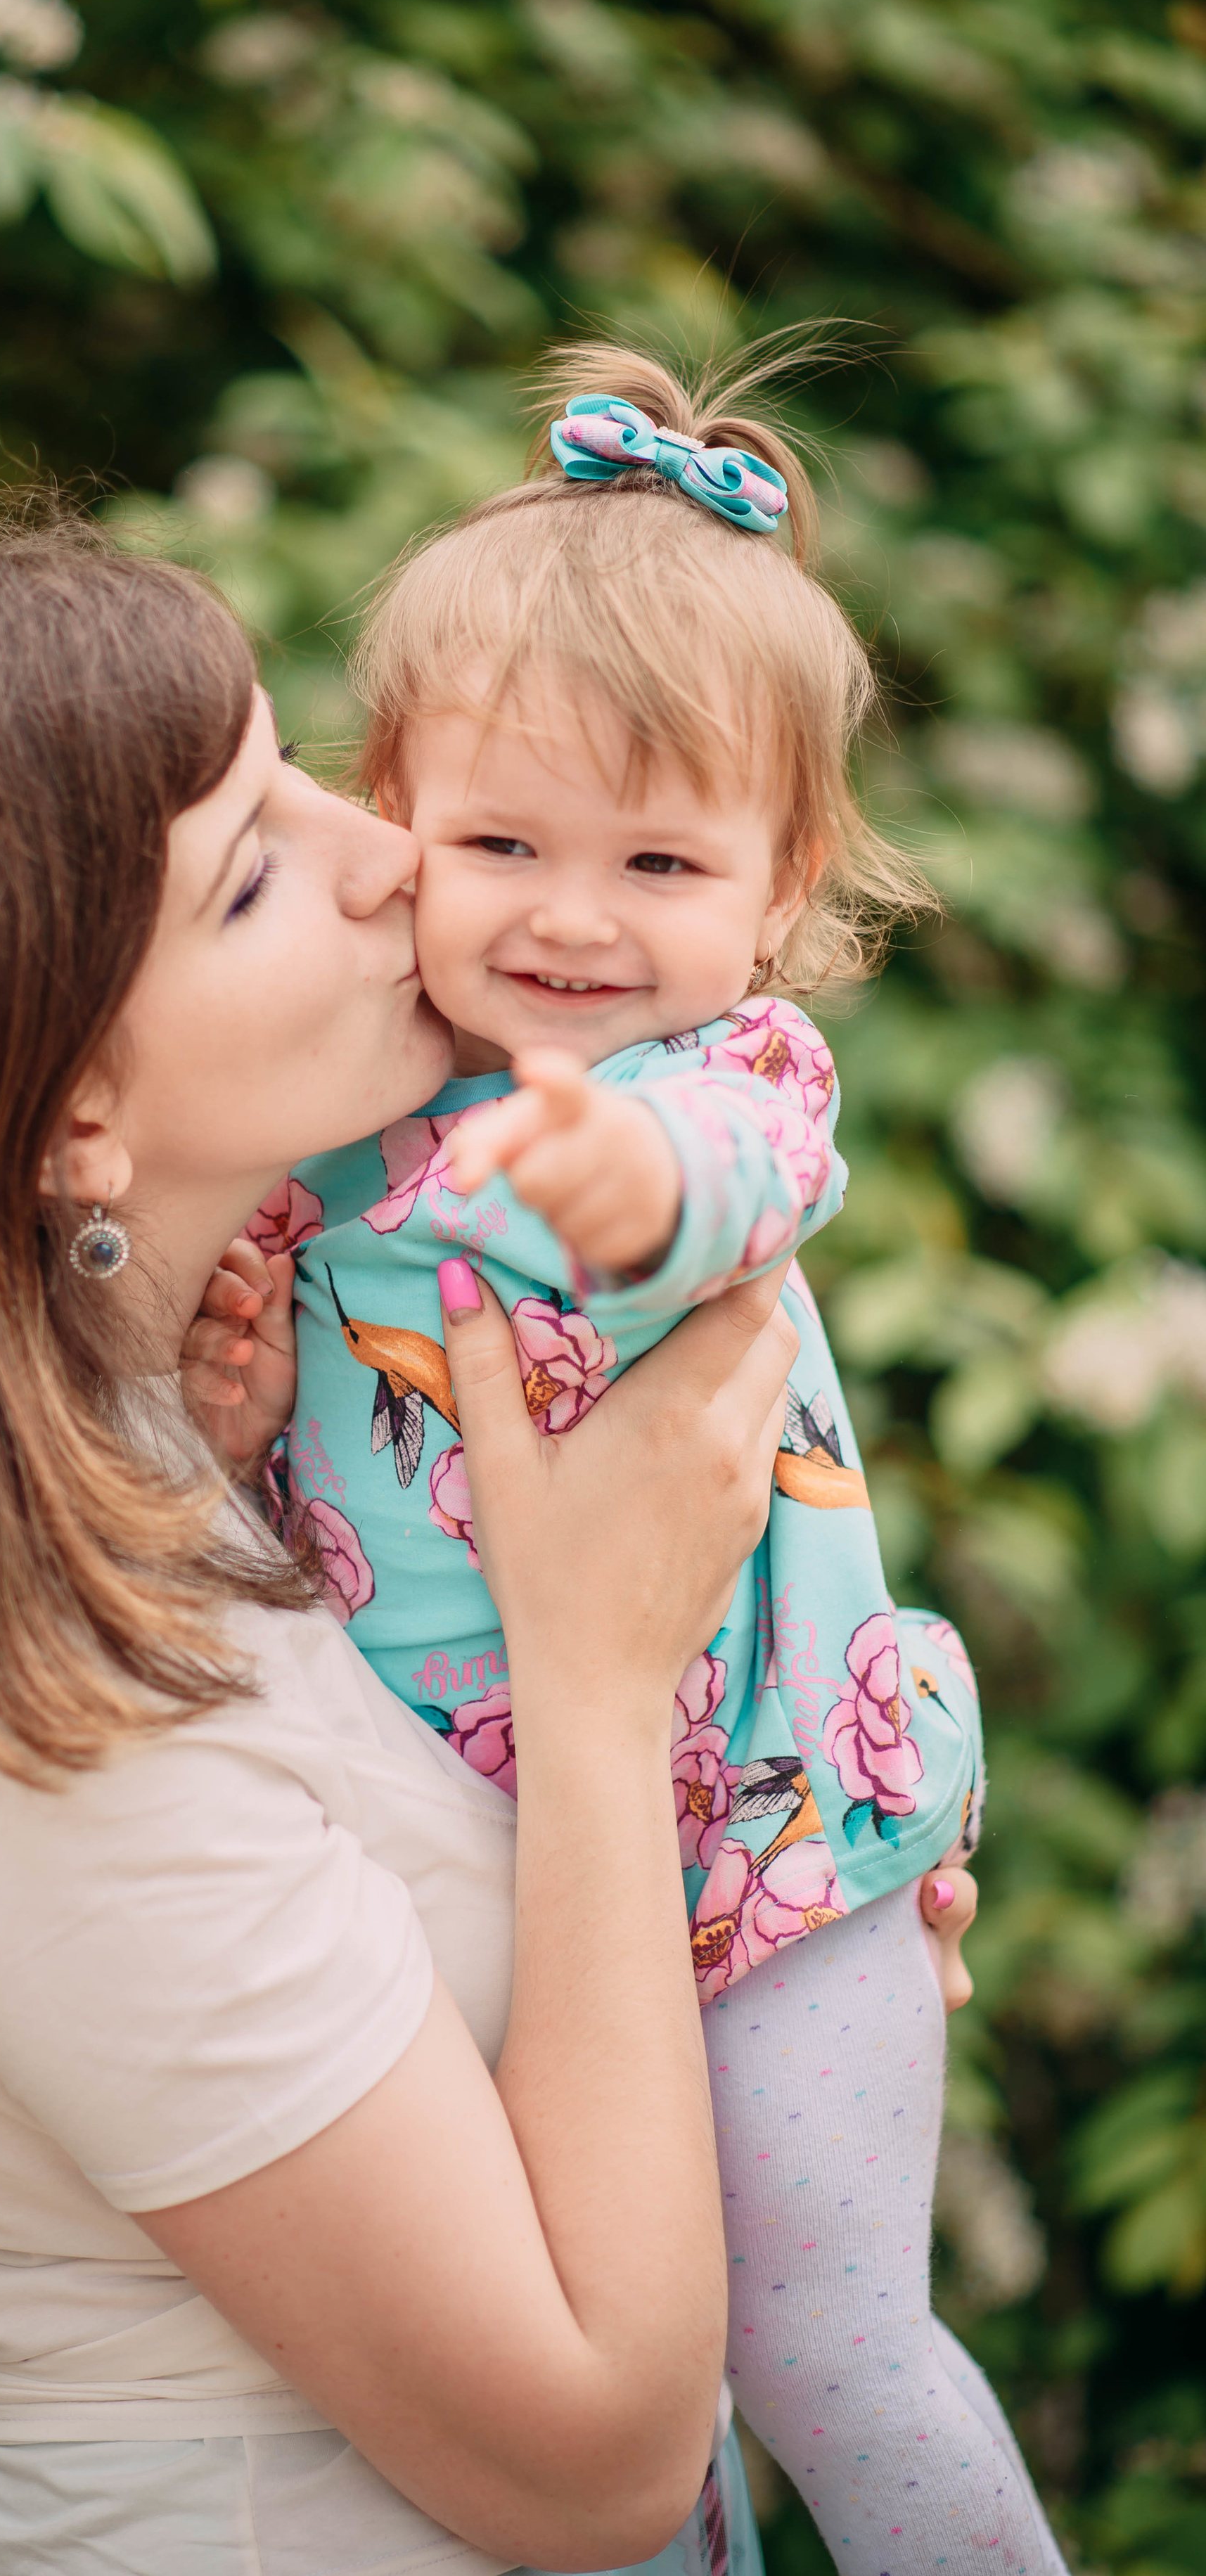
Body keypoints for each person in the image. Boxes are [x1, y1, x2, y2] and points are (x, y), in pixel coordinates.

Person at [0, 502, 976, 2576]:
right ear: (73, 1111)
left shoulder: (192, 1421)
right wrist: (598, 1689)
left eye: (304, 768)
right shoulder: (17, 1698)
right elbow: (592, 2463)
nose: (389, 848)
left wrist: (797, 1901)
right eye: (253, 868)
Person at [193, 342, 1055, 2576]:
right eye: (503, 844)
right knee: (610, 2420)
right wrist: (228, 1393)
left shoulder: (727, 1079)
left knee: (825, 2346)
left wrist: (624, 1179)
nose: (573, 916)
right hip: (496, 1876)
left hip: (771, 1838)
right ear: (399, 817)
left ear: (778, 889)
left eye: (660, 859)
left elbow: (734, 1188)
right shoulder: (341, 1117)